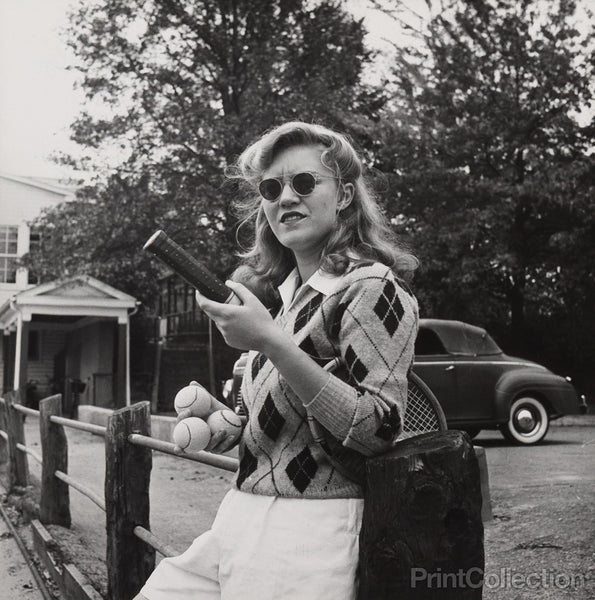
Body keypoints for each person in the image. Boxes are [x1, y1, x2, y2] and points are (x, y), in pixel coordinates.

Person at [135, 121, 419, 600]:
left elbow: (377, 428)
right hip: (238, 516)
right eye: (272, 187)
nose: (286, 196)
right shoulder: (287, 303)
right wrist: (226, 421)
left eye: (304, 182)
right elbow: (288, 428)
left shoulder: (373, 289)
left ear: (346, 196)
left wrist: (270, 344)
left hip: (309, 534)